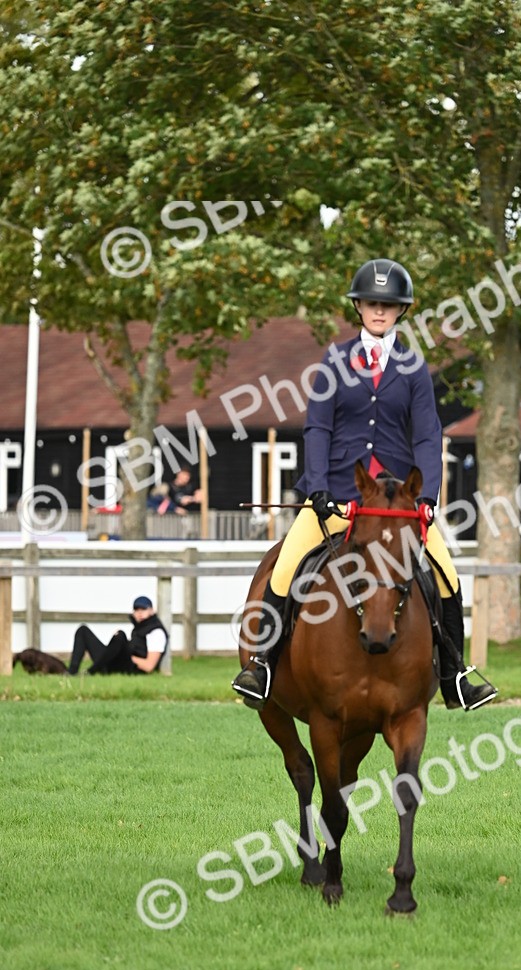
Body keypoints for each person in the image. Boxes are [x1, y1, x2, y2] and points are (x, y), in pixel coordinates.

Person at [232, 257, 498, 713]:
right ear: (359, 307)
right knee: (286, 567)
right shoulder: (334, 361)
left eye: (388, 305)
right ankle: (261, 666)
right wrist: (317, 490)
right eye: (372, 303)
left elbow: (427, 434)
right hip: (338, 494)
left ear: (401, 311)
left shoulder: (413, 366)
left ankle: (455, 676)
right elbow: (318, 428)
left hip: (397, 503)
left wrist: (428, 497)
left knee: (447, 575)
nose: (379, 311)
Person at [67, 596, 169, 676]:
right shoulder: (138, 629)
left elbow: (149, 666)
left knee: (120, 636)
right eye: (137, 610)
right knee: (83, 630)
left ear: (151, 610)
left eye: (143, 609)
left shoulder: (156, 632)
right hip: (116, 664)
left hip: (131, 668)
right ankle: (71, 672)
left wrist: (125, 655)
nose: (140, 613)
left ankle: (91, 671)